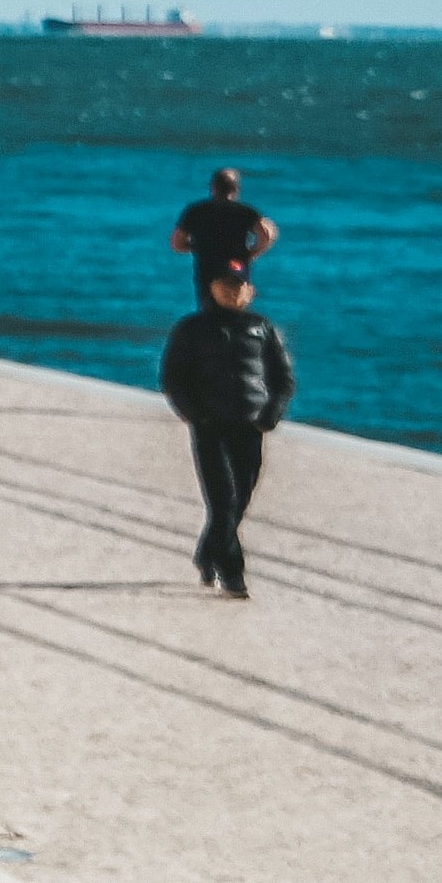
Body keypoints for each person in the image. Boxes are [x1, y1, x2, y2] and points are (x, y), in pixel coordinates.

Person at [159, 259, 294, 597]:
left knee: (240, 501)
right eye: (225, 285)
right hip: (211, 427)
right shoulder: (191, 328)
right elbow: (172, 378)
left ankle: (207, 553)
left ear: (249, 290)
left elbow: (282, 379)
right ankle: (233, 574)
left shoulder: (263, 329)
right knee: (223, 502)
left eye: (238, 286)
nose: (232, 292)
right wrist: (194, 414)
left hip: (250, 425)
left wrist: (271, 413)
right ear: (212, 288)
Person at [170, 164, 277, 305]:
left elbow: (177, 243)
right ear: (236, 189)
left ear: (212, 187)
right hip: (236, 264)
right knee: (236, 305)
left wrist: (196, 247)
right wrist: (252, 253)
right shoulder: (246, 212)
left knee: (209, 310)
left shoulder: (196, 211)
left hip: (208, 267)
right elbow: (267, 235)